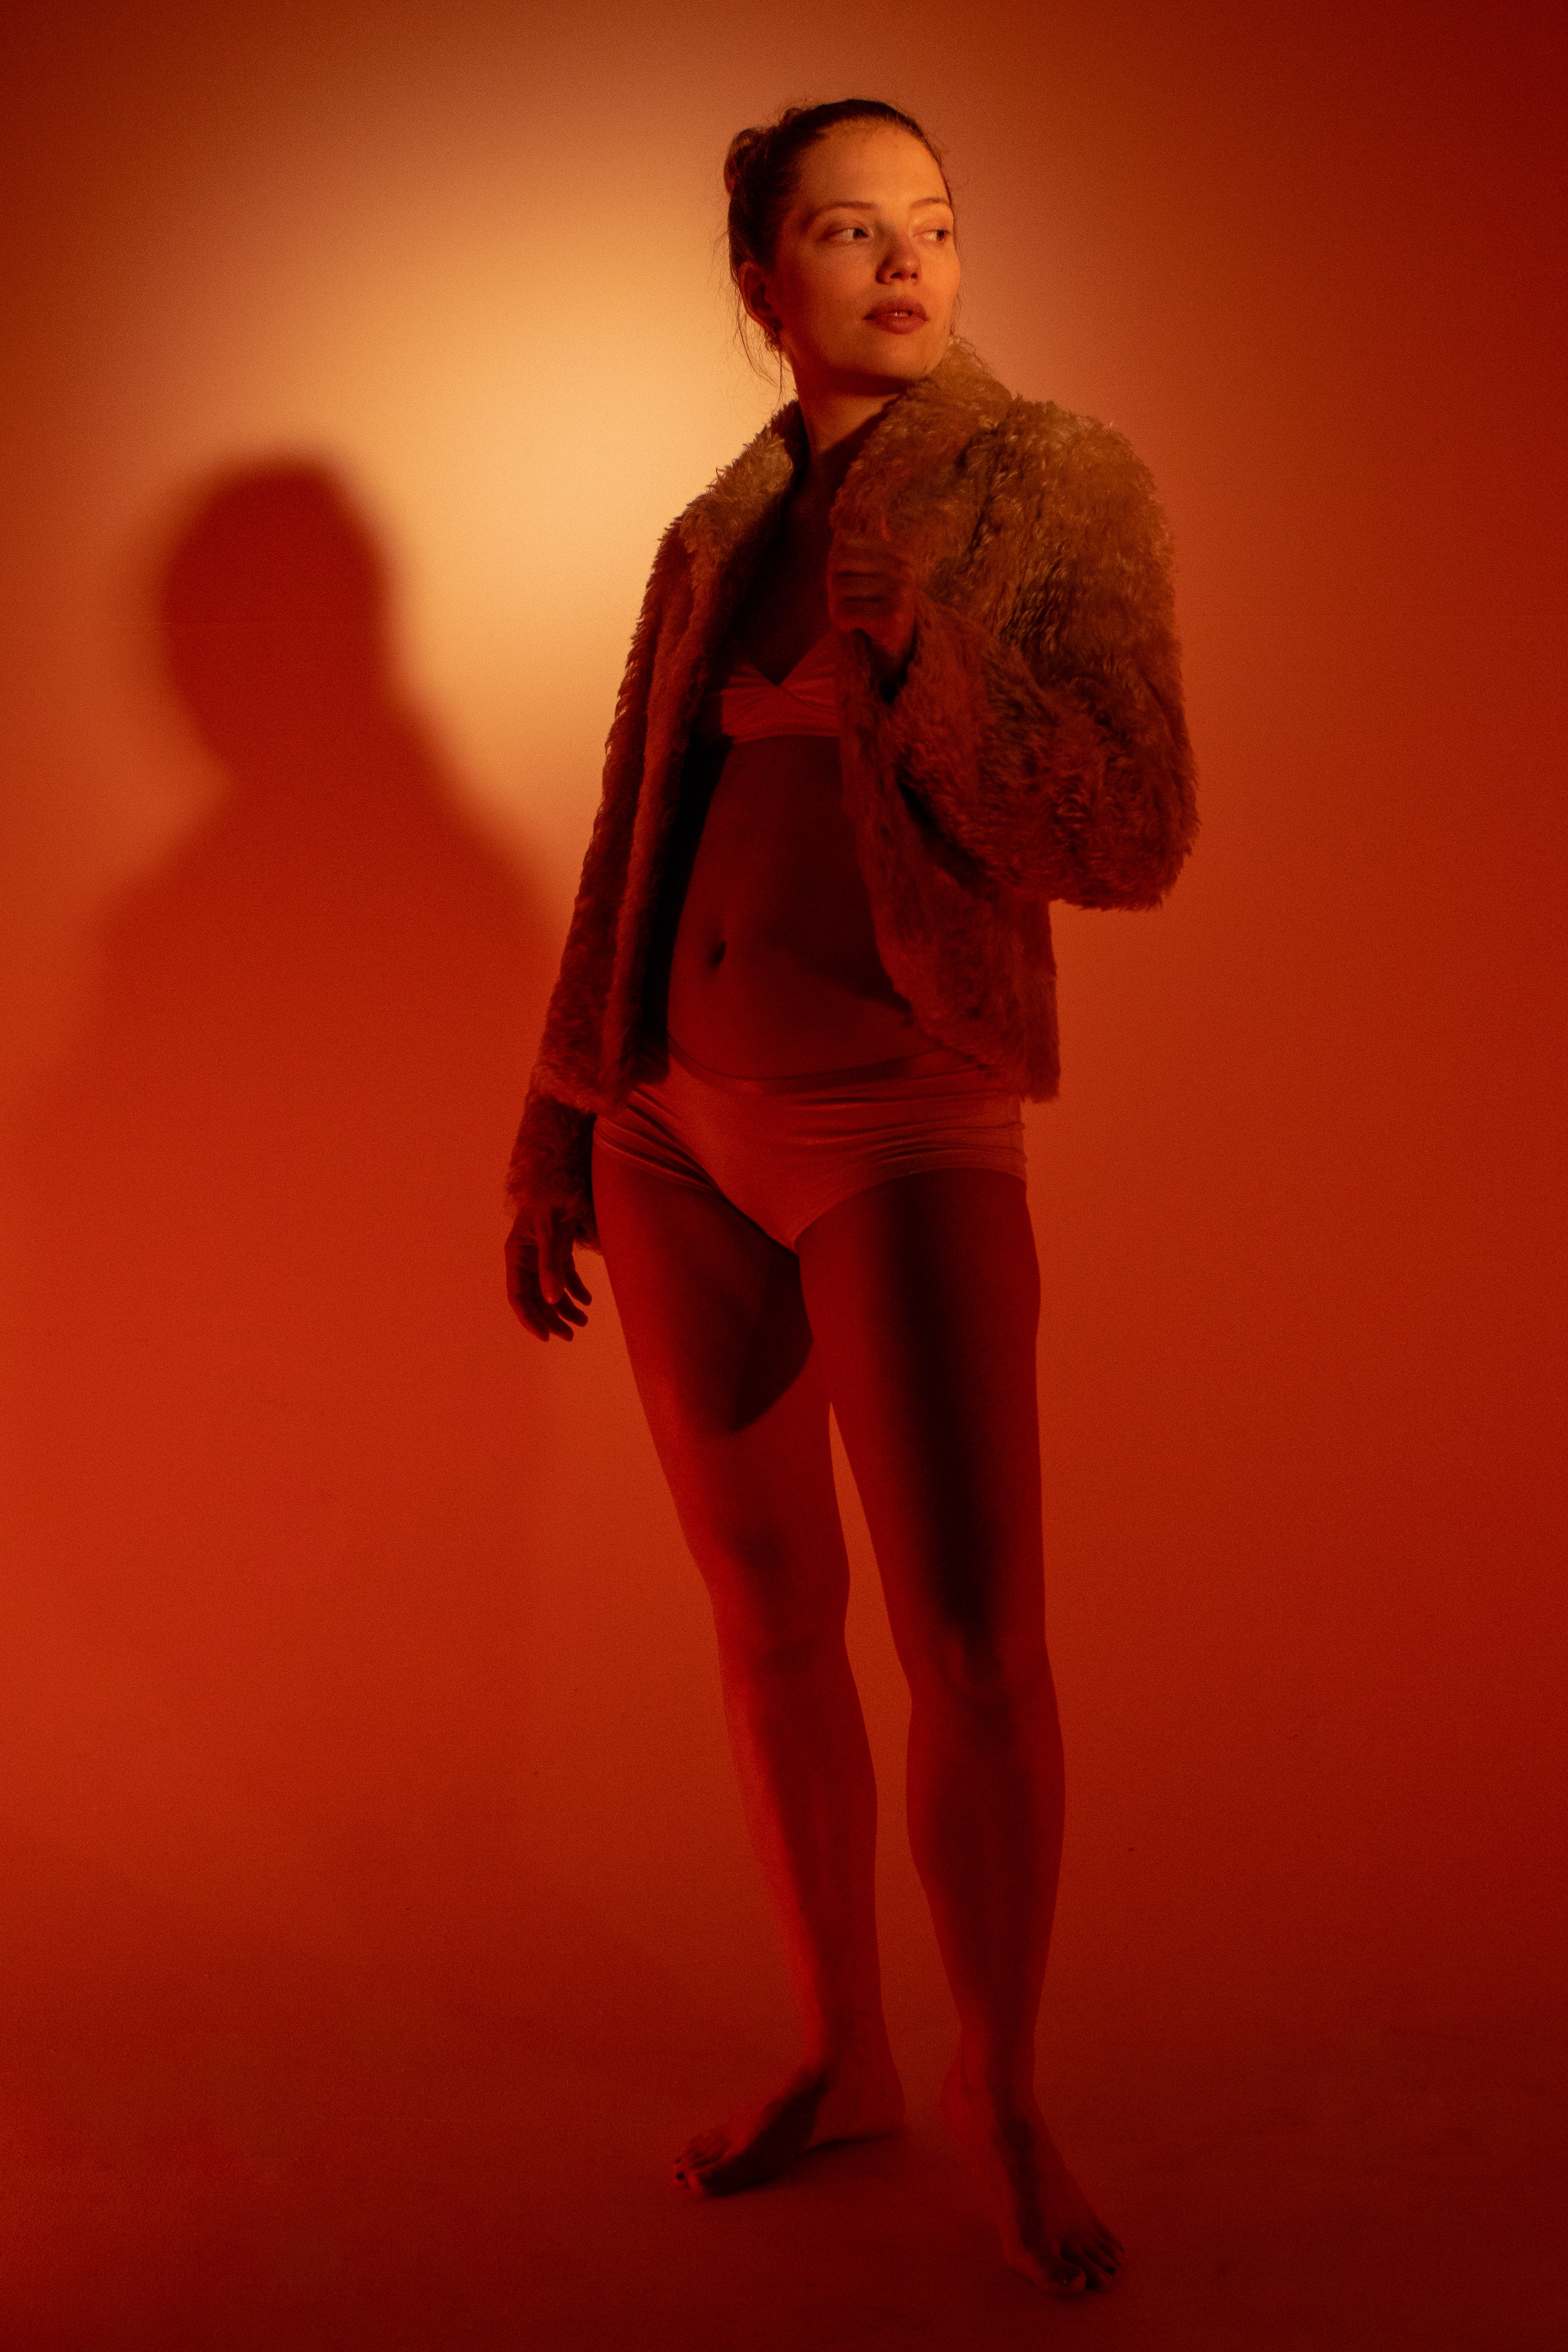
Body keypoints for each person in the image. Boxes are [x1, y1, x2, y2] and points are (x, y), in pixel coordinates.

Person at [503, 97, 1196, 2297]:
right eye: (846, 228)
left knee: (973, 1644)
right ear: (759, 281)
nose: (904, 262)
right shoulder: (713, 528)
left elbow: (1135, 825)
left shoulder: (1053, 481)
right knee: (766, 1621)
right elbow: (631, 822)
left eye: (934, 225)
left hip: (901, 1111)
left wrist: (919, 667)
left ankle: (1005, 2090)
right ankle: (845, 2047)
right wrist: (558, 1107)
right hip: (668, 1119)